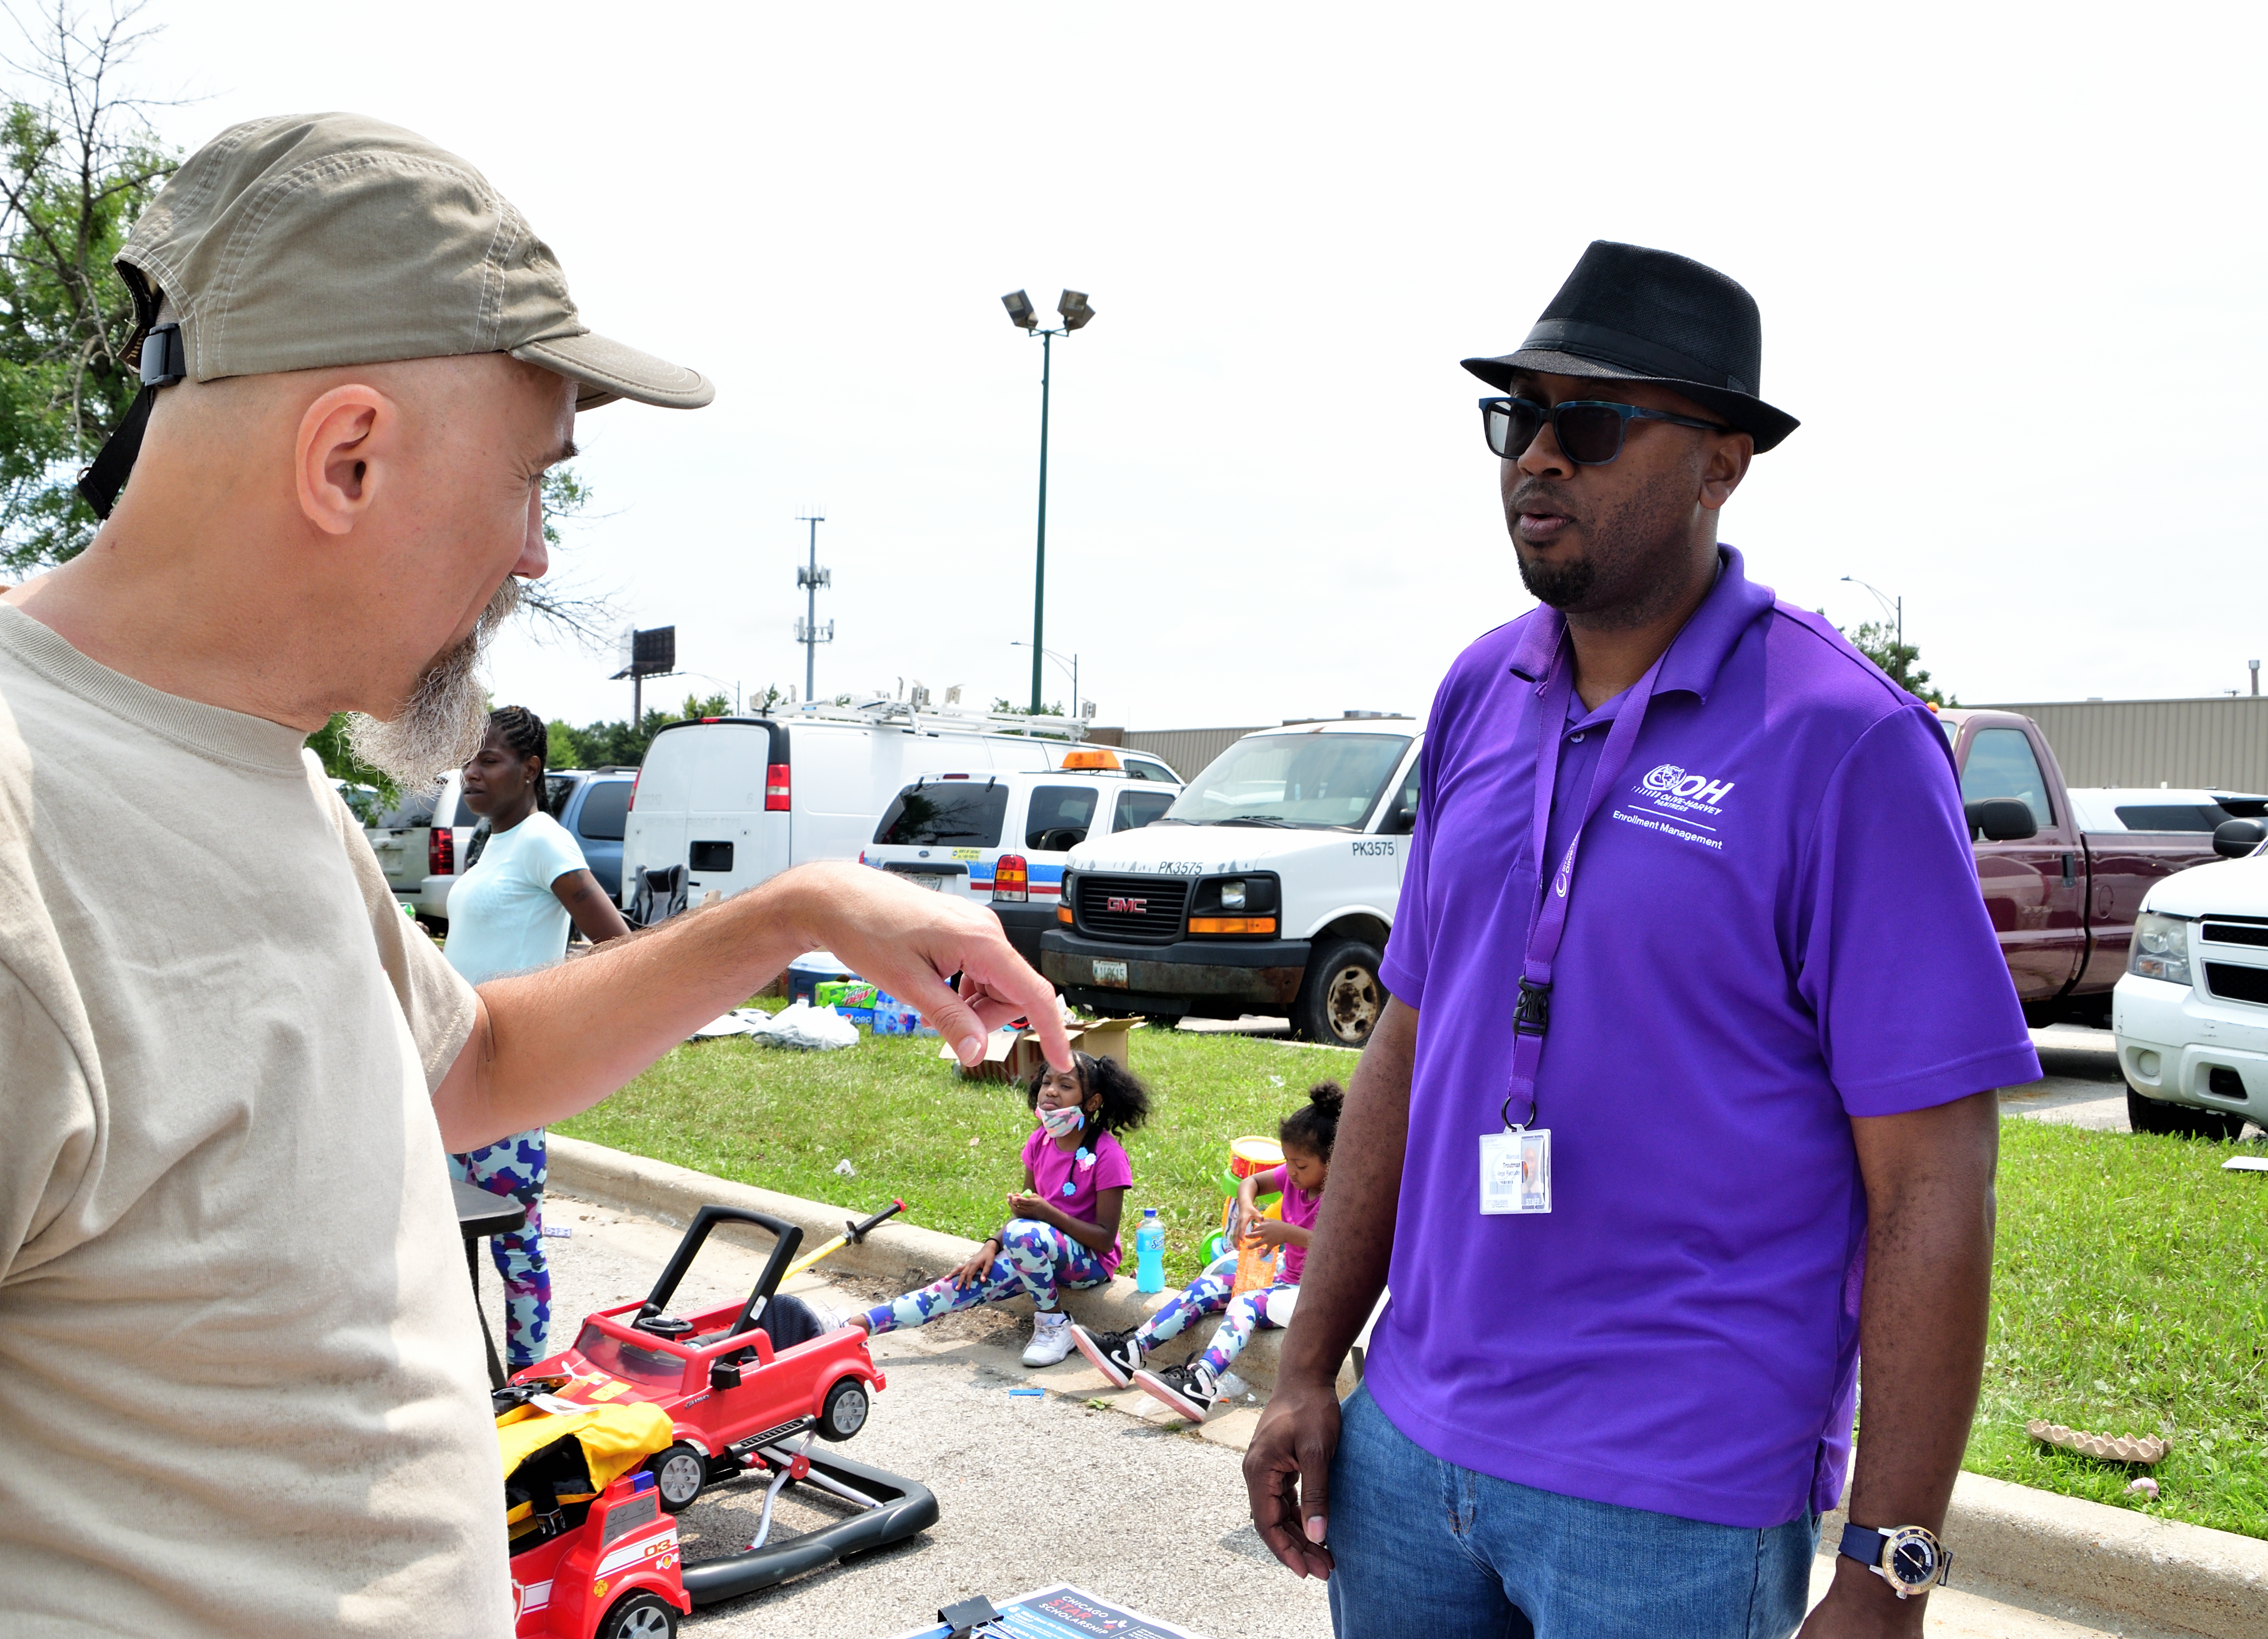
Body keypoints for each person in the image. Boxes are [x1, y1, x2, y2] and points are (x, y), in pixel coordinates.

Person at [0, 114, 1071, 1639]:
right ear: (348, 458)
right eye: (531, 481)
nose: (535, 556)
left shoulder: (264, 773)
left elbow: (471, 1059)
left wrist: (794, 909)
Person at [1242, 240, 2034, 1639]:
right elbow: (1408, 1043)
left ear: (1722, 461)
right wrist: (1310, 1362)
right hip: (1409, 1450)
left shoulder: (1845, 743)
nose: (1536, 457)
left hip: (1671, 1501)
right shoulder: (1479, 691)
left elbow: (1930, 1179)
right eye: (1516, 418)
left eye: (1589, 423)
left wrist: (1886, 1562)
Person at [442, 704, 629, 1371]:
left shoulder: (546, 839)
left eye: (488, 760)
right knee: (446, 1232)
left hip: (509, 1074)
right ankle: (464, 1371)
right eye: (467, 761)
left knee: (515, 1244)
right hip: (455, 1068)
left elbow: (616, 945)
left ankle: (529, 1378)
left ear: (530, 769)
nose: (471, 773)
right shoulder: (493, 842)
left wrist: (559, 1020)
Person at [846, 1055, 1150, 1367]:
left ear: (1092, 1102)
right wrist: (992, 1244)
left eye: (1066, 1085)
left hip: (1090, 1264)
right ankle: (856, 1326)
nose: (1052, 1091)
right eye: (1047, 1082)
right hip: (1034, 1250)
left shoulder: (1108, 1155)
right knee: (957, 1287)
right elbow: (1026, 1218)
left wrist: (1045, 1214)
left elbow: (1103, 1239)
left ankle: (1054, 1323)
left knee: (1022, 1234)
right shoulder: (1039, 1142)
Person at [1076, 1081, 1339, 1422]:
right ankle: (1131, 1350)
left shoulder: (1339, 1197)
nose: (1291, 1172)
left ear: (1332, 1162)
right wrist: (1246, 1207)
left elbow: (1339, 1248)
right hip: (1287, 1276)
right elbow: (1253, 1183)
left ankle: (1201, 1382)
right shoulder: (1293, 1179)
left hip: (1313, 1292)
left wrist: (1288, 1233)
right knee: (1212, 1284)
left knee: (1246, 1302)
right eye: (1288, 1162)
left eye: (1300, 1166)